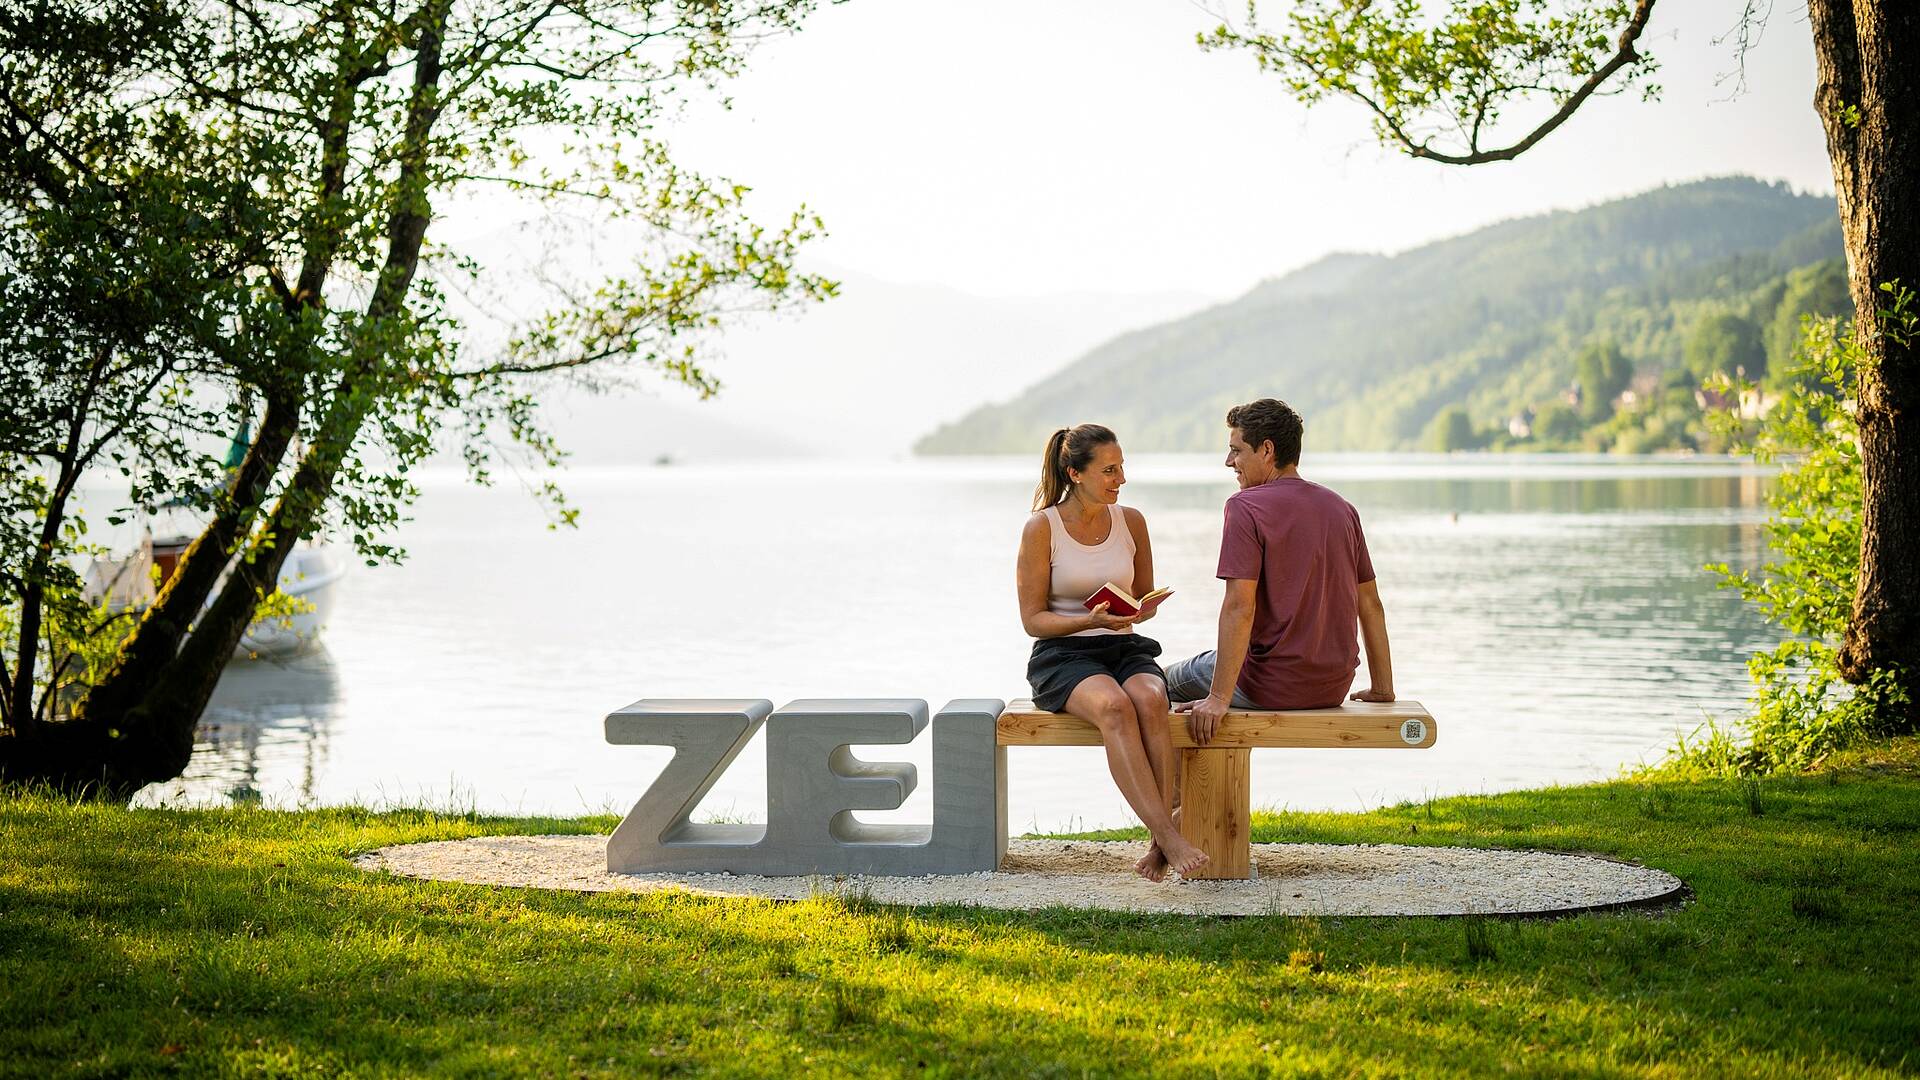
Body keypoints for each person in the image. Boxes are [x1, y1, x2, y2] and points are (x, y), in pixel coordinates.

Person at [1016, 424, 1209, 881]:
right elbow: (1032, 621)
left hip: (1123, 644)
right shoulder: (1041, 529)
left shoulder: (1132, 521)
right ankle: (1169, 836)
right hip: (1063, 655)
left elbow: (1142, 598)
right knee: (1115, 706)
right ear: (1074, 473)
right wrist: (1088, 620)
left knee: (1150, 697)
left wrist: (1142, 609)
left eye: (1122, 468)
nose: (1120, 479)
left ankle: (1157, 842)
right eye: (1108, 470)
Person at [1166, 398, 1395, 747]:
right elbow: (1371, 604)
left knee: (1157, 683)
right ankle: (1182, 803)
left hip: (1269, 685)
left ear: (1267, 450)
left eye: (1236, 450)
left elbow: (1239, 608)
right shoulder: (1342, 509)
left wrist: (1218, 699)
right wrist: (1382, 687)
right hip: (1333, 686)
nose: (1229, 462)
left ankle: (1175, 801)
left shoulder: (1244, 507)